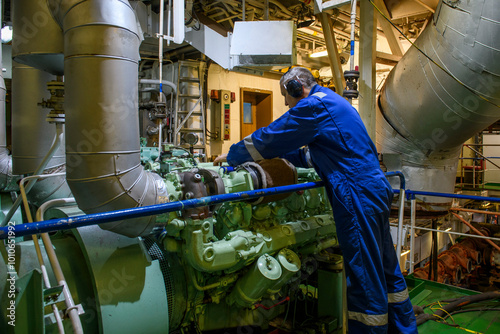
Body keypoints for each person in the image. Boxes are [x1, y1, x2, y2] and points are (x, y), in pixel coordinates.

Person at [213, 67, 418, 333]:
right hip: (375, 190)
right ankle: (404, 328)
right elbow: (312, 156)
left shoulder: (312, 106)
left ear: (297, 88)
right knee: (385, 267)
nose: (287, 103)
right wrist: (276, 160)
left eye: (286, 96)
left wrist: (233, 156)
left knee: (364, 277)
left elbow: (270, 137)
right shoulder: (334, 103)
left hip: (356, 195)